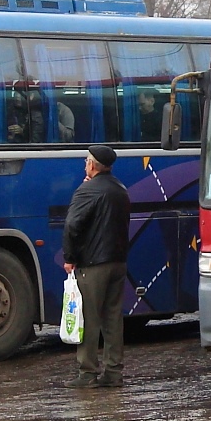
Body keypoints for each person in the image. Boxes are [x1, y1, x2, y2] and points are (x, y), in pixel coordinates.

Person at [61, 144, 130, 388]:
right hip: (117, 262)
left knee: (88, 319)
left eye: (86, 161)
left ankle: (87, 374)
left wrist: (69, 258)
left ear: (92, 165)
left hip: (93, 265)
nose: (84, 164)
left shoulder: (87, 190)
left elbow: (71, 225)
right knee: (112, 319)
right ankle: (113, 373)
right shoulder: (120, 189)